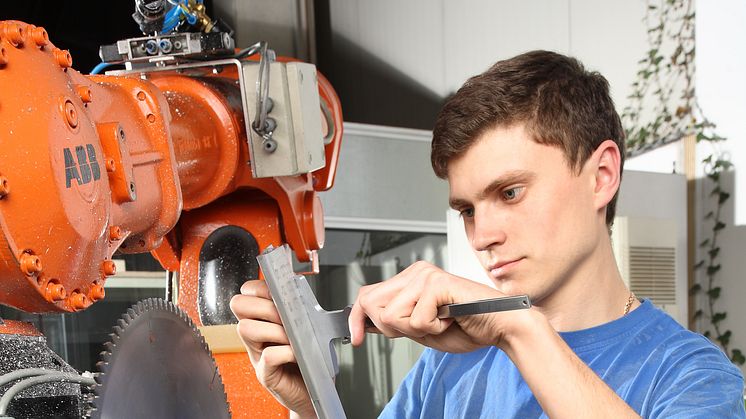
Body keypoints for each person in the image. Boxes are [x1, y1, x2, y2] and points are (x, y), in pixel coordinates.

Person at [230, 50, 746, 418]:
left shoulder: (691, 378)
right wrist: (311, 405)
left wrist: (519, 329)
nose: (482, 236)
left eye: (510, 193)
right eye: (468, 210)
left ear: (601, 176)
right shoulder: (447, 368)